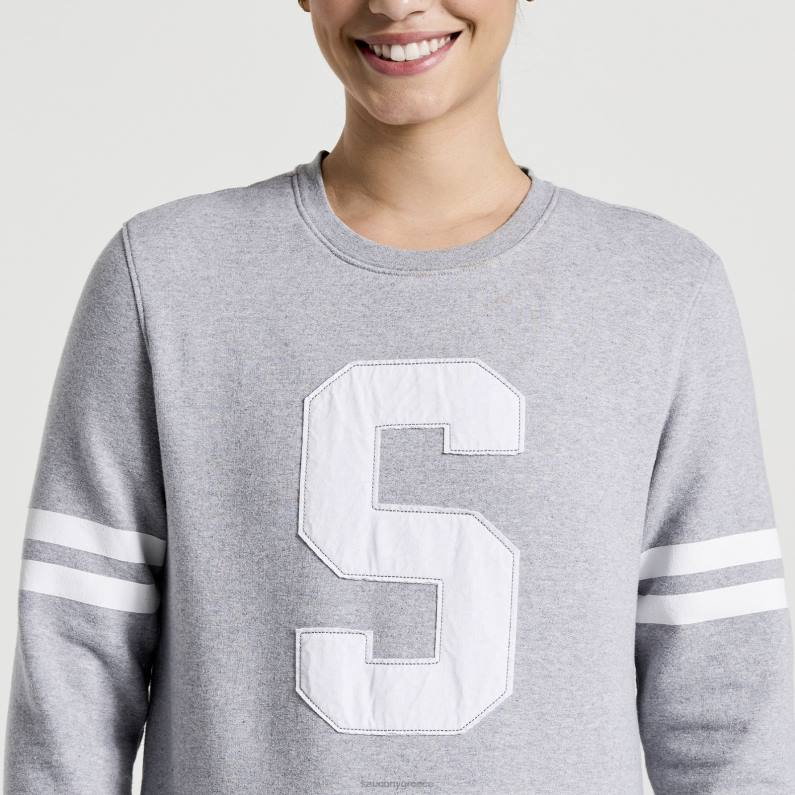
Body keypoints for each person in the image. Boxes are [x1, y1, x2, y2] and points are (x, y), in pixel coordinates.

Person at [4, 0, 795, 792]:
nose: (393, 3)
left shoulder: (658, 293)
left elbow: (726, 715)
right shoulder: (165, 278)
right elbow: (72, 682)